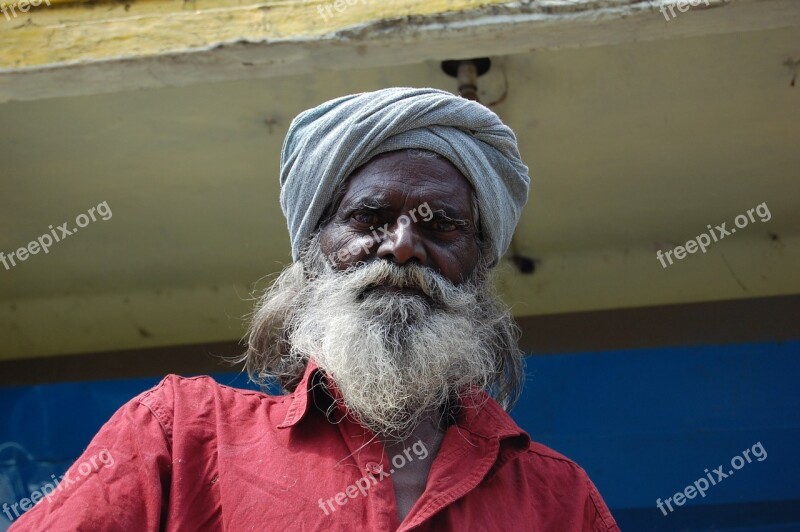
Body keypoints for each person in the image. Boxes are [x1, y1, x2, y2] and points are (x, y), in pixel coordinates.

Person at [11, 87, 619, 531]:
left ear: (480, 265)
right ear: (313, 250)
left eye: (443, 226)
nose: (403, 248)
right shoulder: (180, 436)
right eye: (369, 219)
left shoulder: (558, 499)